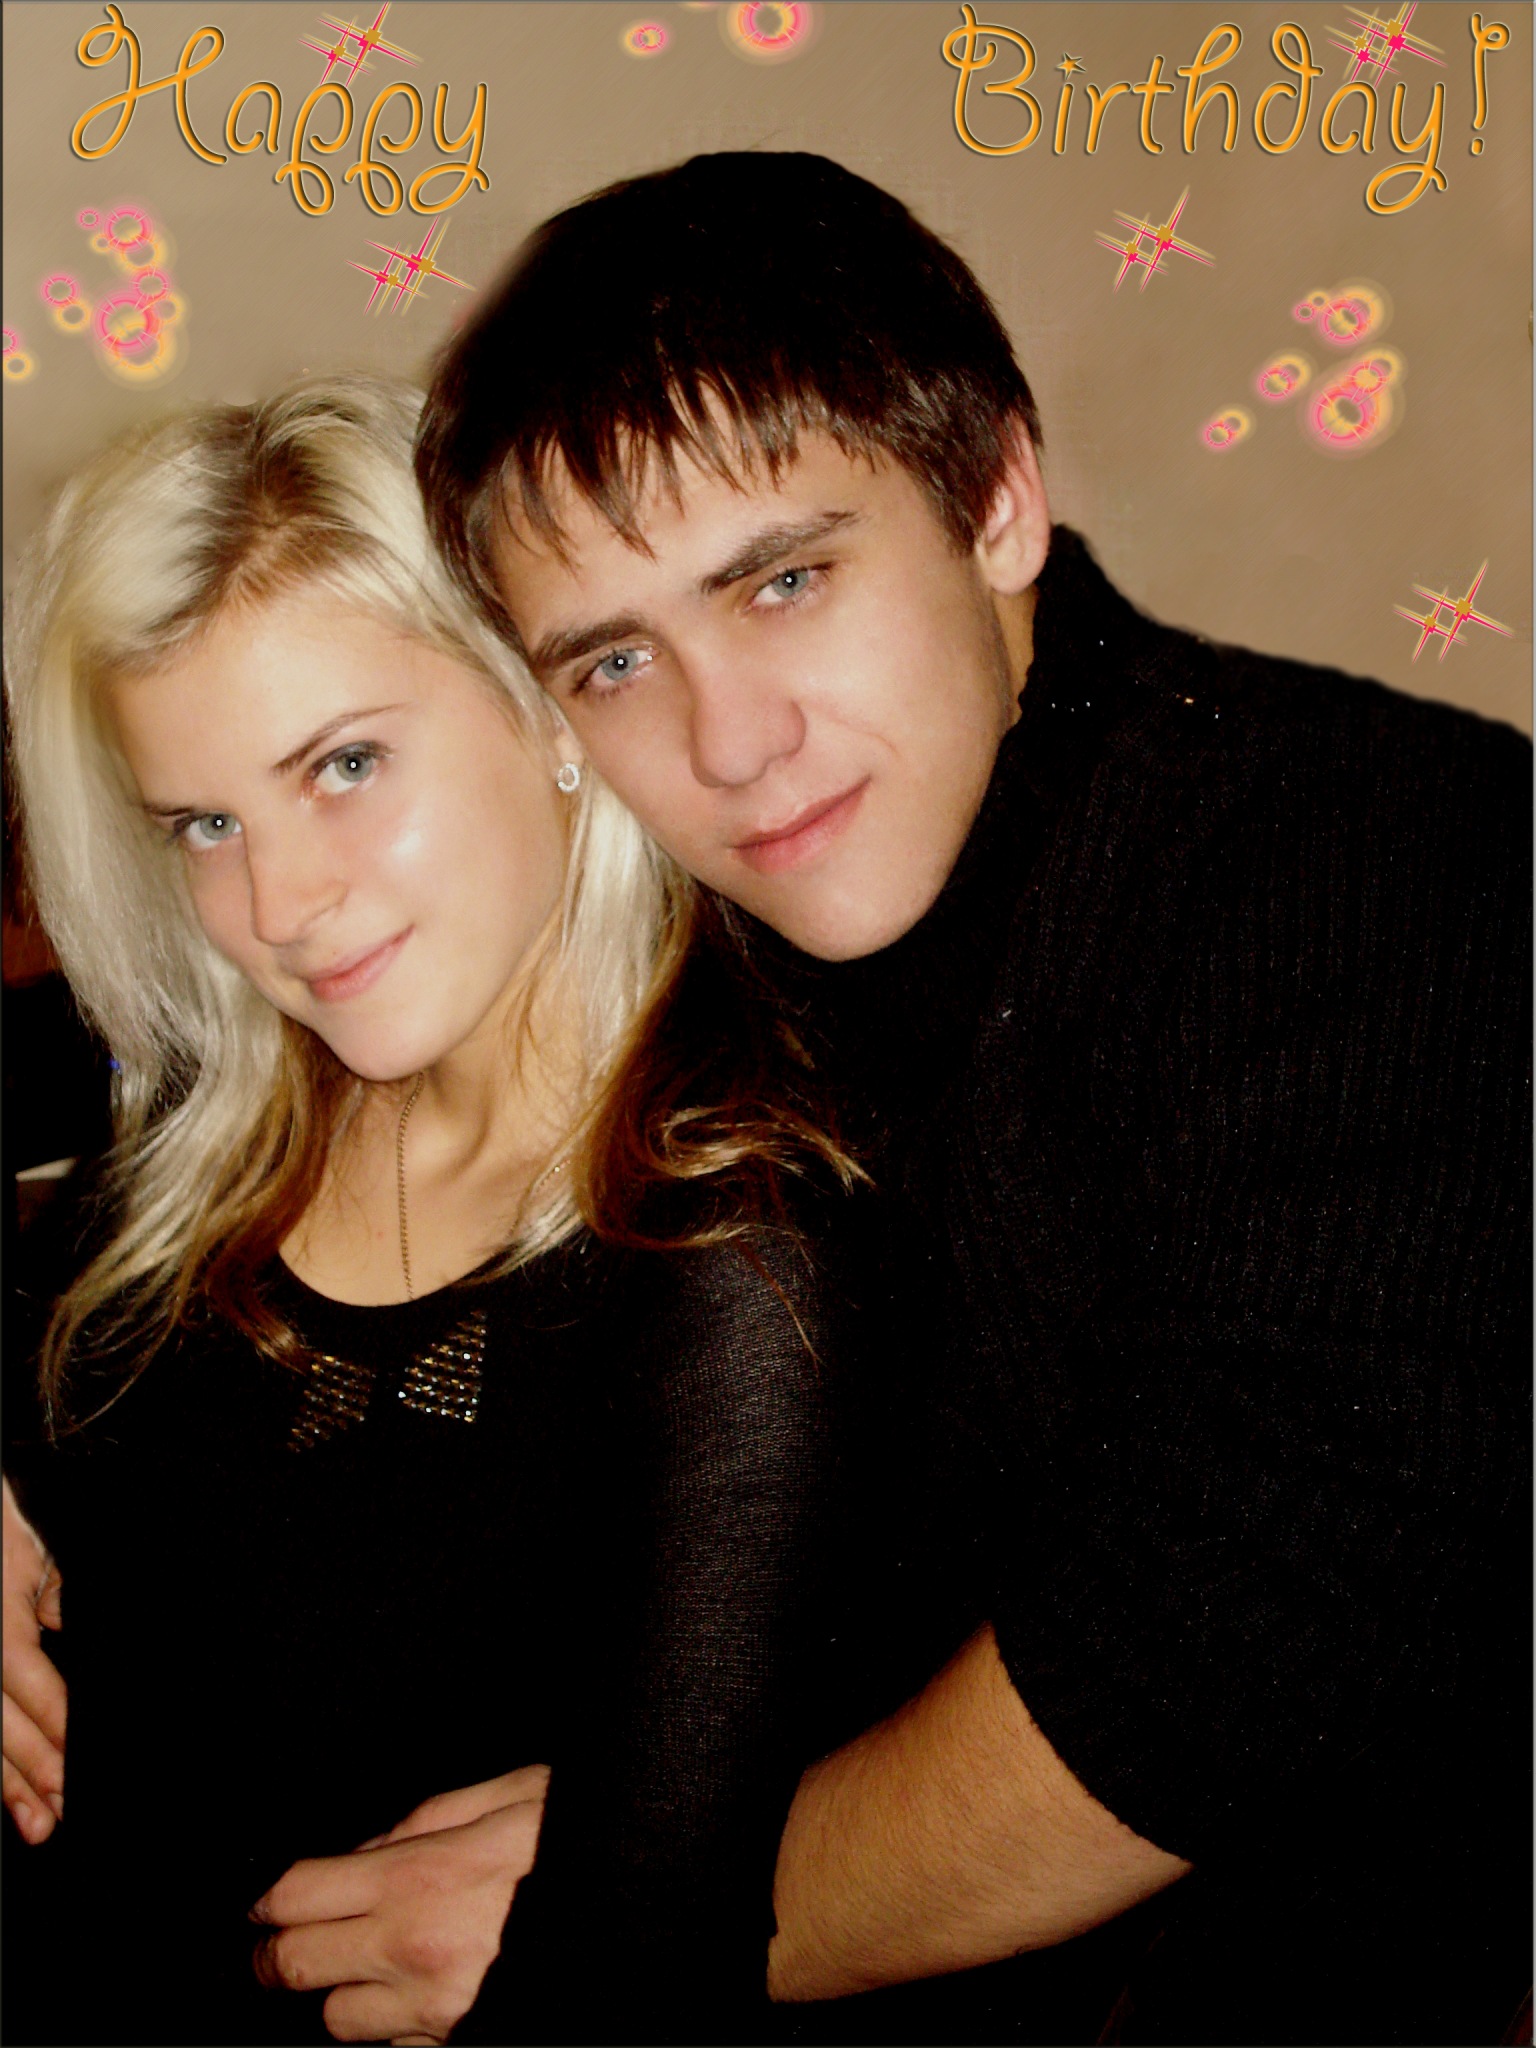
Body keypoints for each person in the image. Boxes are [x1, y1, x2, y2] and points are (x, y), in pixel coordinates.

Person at [414, 151, 1533, 2045]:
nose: (728, 742)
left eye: (783, 580)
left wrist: (635, 1918)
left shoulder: (1382, 848)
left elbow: (1231, 1647)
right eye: (614, 661)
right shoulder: (672, 947)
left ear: (998, 497)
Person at [0, 373, 867, 2047]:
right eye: (206, 823)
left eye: (343, 765)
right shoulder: (216, 1129)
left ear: (545, 707)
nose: (278, 903)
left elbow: (638, 1952)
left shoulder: (727, 1265)